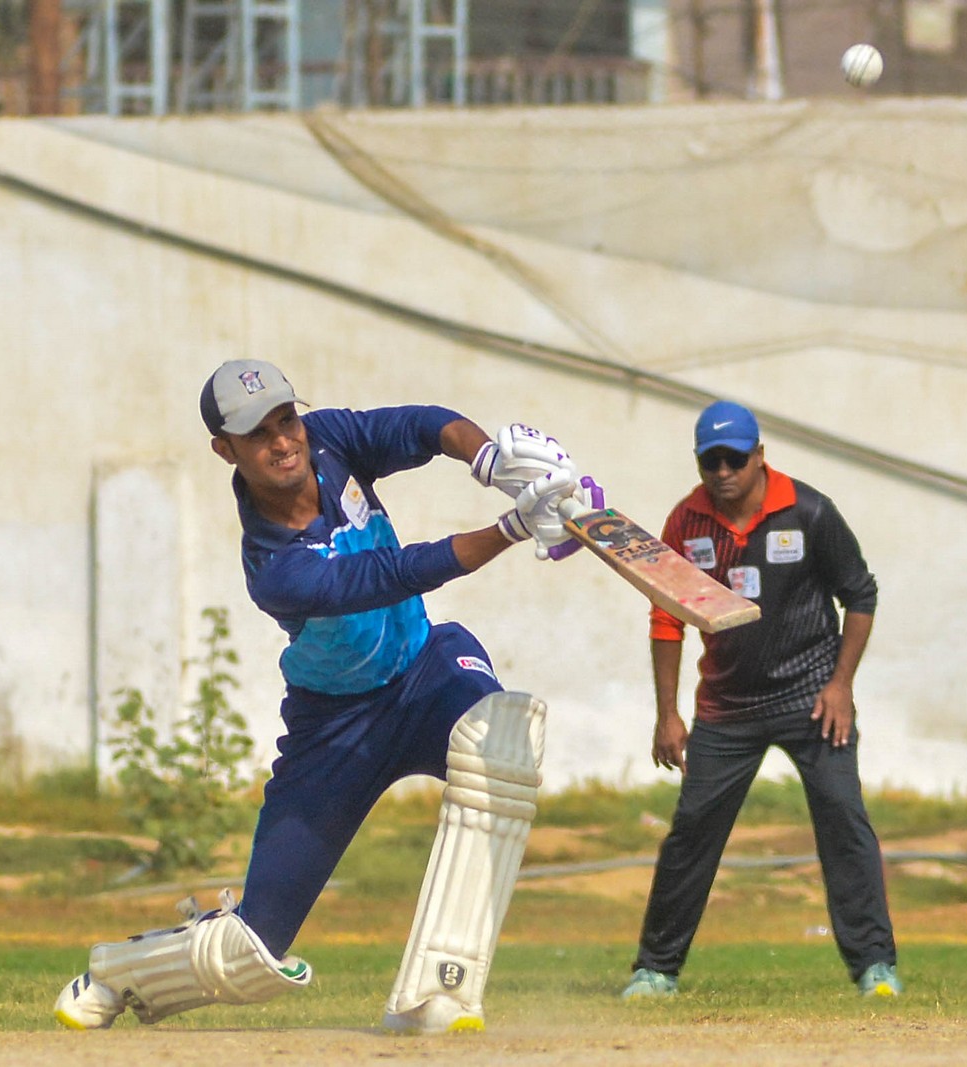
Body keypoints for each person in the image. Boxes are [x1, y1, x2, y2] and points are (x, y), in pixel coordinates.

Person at [55, 359, 596, 1034]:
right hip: (335, 727)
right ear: (225, 450)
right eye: (258, 434)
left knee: (499, 745)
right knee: (250, 952)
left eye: (287, 420)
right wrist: (513, 528)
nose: (284, 441)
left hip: (426, 670)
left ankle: (438, 993)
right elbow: (392, 573)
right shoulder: (274, 567)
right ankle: (118, 971)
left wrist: (488, 459)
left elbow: (422, 426)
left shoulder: (330, 439)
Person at [620, 399, 901, 1000]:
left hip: (811, 698)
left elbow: (860, 595)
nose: (723, 472)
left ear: (759, 456)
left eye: (734, 459)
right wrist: (667, 713)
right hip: (727, 707)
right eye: (710, 461)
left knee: (843, 820)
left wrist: (841, 685)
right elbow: (667, 617)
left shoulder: (809, 511)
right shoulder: (686, 522)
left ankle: (875, 967)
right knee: (692, 831)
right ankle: (656, 971)